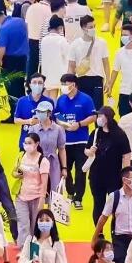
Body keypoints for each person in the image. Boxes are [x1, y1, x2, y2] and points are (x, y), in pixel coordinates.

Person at [54, 73, 97, 210]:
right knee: (65, 169)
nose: (64, 87)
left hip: (81, 141)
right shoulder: (61, 99)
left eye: (66, 84)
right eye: (62, 84)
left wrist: (79, 124)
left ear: (74, 84)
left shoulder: (86, 99)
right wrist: (63, 124)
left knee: (81, 171)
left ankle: (78, 198)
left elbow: (93, 116)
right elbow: (56, 116)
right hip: (64, 142)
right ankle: (70, 191)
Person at [87, 107, 132, 225]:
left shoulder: (120, 134)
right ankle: (99, 232)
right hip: (96, 176)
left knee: (116, 205)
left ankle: (116, 230)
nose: (98, 118)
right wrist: (89, 152)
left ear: (107, 118)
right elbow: (86, 150)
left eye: (100, 116)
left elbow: (126, 155)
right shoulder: (95, 133)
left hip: (114, 176)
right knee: (98, 204)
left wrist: (126, 175)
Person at [0, 10, 29, 122]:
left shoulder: (4, 29)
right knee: (20, 86)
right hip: (23, 59)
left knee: (11, 88)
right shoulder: (20, 21)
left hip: (10, 61)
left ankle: (14, 115)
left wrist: (0, 61)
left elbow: (2, 49)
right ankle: (23, 112)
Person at [12, 132, 50, 241]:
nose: (27, 145)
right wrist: (16, 174)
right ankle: (23, 247)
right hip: (21, 196)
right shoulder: (21, 156)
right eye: (25, 143)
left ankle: (34, 246)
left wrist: (42, 199)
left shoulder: (43, 161)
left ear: (37, 144)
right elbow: (13, 172)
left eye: (29, 143)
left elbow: (44, 182)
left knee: (35, 225)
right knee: (23, 224)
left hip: (36, 197)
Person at [68, 15, 110, 111]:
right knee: (81, 109)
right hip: (81, 79)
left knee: (97, 109)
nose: (93, 29)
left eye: (94, 26)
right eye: (90, 27)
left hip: (97, 79)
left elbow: (106, 63)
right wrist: (69, 83)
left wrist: (108, 81)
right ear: (83, 28)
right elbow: (71, 66)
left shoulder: (102, 42)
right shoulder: (75, 44)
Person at [28, 101, 68, 193]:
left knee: (54, 190)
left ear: (49, 113)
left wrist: (64, 168)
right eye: (38, 111)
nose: (39, 114)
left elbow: (62, 149)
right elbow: (29, 150)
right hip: (37, 163)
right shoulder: (33, 129)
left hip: (53, 163)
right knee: (37, 191)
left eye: (42, 112)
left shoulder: (58, 129)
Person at [14, 72, 56, 150]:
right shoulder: (22, 101)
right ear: (30, 85)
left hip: (44, 142)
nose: (37, 85)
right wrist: (28, 121)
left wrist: (41, 121)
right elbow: (16, 120)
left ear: (43, 85)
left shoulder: (49, 101)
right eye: (34, 82)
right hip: (26, 140)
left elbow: (53, 121)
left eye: (40, 83)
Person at [40, 17, 71, 98]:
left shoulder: (44, 40)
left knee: (49, 98)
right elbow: (68, 57)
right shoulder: (62, 40)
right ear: (60, 27)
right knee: (62, 99)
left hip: (47, 75)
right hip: (61, 74)